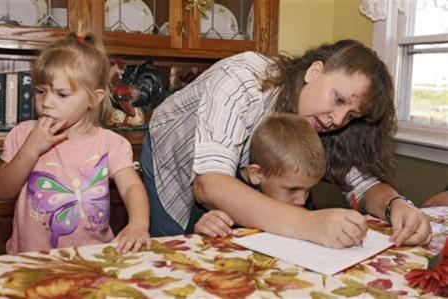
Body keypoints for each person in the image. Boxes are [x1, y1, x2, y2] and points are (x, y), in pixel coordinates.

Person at [142, 40, 431, 248]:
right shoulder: (243, 79)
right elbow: (210, 185)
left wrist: (397, 205)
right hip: (173, 158)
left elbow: (363, 185)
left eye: (352, 115)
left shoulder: (328, 124)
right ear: (314, 72)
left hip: (236, 176)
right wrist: (309, 223)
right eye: (339, 99)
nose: (339, 119)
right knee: (178, 248)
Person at [0, 32, 150, 254]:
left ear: (94, 98)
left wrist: (138, 224)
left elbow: (131, 187)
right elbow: (3, 191)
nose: (47, 103)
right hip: (31, 261)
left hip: (91, 259)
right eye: (41, 92)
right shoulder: (23, 135)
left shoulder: (110, 144)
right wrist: (31, 149)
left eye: (62, 94)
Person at [194, 113, 328, 238]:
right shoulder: (226, 199)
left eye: (309, 190)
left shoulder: (302, 200)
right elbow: (198, 236)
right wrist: (206, 227)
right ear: (256, 174)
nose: (302, 200)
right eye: (292, 189)